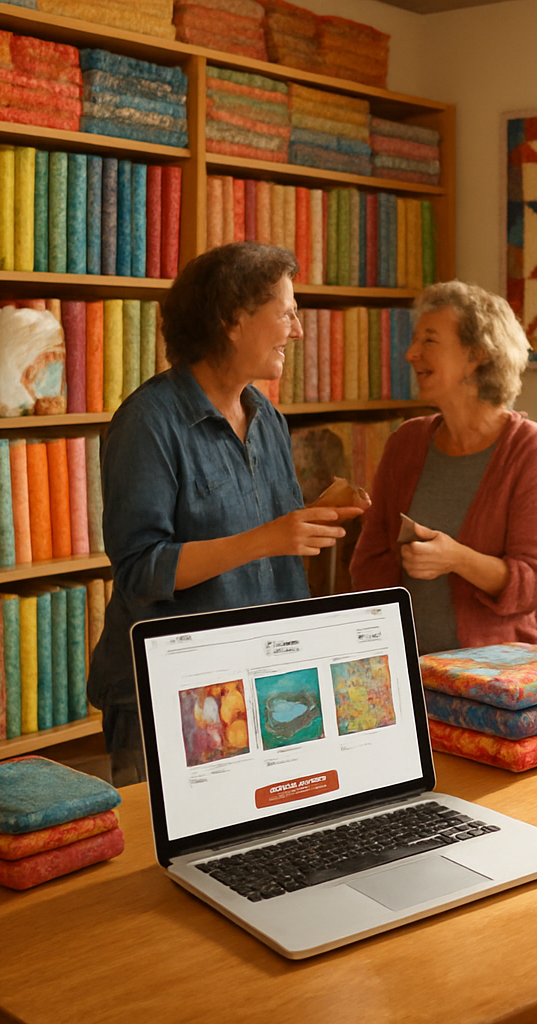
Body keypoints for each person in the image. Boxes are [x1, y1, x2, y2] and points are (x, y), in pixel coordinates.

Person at [87, 242, 361, 784]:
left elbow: (263, 542)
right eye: (286, 313)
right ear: (233, 320)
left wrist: (312, 519)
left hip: (259, 683)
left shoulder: (268, 418)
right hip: (168, 694)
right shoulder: (148, 423)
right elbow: (142, 570)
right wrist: (267, 538)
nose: (298, 331)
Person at [350, 281, 537, 654]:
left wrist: (456, 559)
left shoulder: (532, 449)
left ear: (475, 356)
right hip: (411, 669)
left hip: (504, 674)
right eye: (414, 340)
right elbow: (368, 564)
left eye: (429, 341)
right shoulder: (405, 442)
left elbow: (536, 583)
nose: (411, 354)